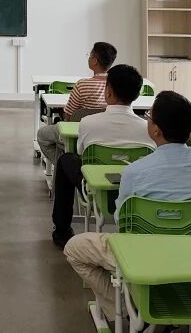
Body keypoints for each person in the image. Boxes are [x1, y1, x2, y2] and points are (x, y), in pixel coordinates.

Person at [63, 91, 191, 323]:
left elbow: (122, 219)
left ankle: (127, 308)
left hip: (142, 255)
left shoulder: (136, 170)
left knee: (74, 248)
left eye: (149, 116)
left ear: (156, 130)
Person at [51, 64, 153, 248]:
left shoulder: (88, 123)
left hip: (93, 190)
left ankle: (62, 231)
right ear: (137, 95)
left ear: (108, 92)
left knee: (67, 159)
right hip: (136, 189)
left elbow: (82, 154)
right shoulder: (148, 129)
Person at [36, 41, 117, 164]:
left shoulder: (82, 85)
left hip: (79, 135)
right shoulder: (116, 86)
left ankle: (68, 166)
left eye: (89, 55)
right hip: (108, 135)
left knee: (42, 135)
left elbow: (68, 115)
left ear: (94, 61)